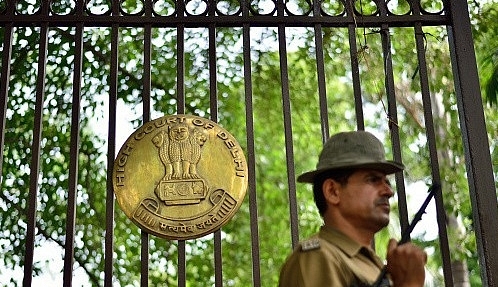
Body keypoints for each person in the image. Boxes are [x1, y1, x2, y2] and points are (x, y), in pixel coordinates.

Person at [278, 130, 427, 287]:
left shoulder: (372, 263)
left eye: (387, 182)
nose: (388, 191)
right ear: (332, 191)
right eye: (373, 180)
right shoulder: (317, 257)